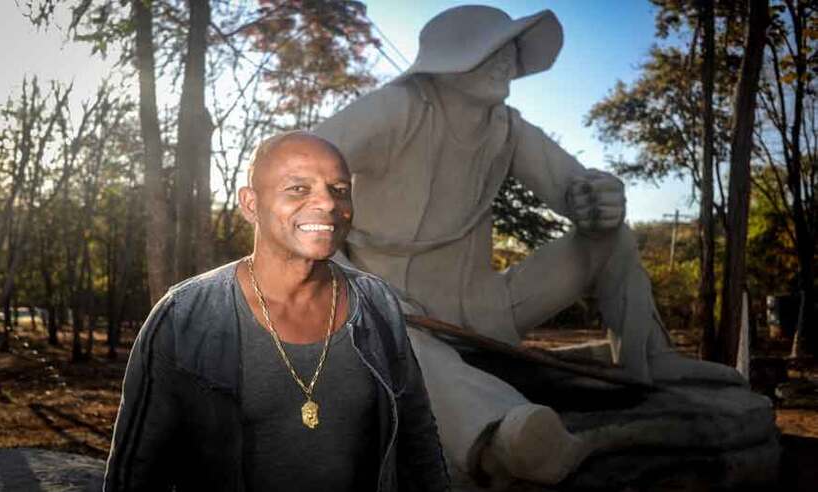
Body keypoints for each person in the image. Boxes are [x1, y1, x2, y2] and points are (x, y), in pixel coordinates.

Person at [315, 4, 745, 486]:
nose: (509, 60)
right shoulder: (397, 107)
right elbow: (297, 169)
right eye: (494, 49)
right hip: (397, 312)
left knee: (610, 237)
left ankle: (646, 360)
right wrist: (342, 276)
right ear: (450, 58)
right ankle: (505, 436)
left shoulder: (508, 127)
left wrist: (599, 199)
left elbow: (575, 189)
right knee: (393, 339)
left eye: (512, 49)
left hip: (485, 311)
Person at [103, 132, 450, 491]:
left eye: (339, 189)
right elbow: (136, 473)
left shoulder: (377, 304)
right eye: (298, 189)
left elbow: (418, 443)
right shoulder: (184, 316)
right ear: (250, 204)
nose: (328, 204)